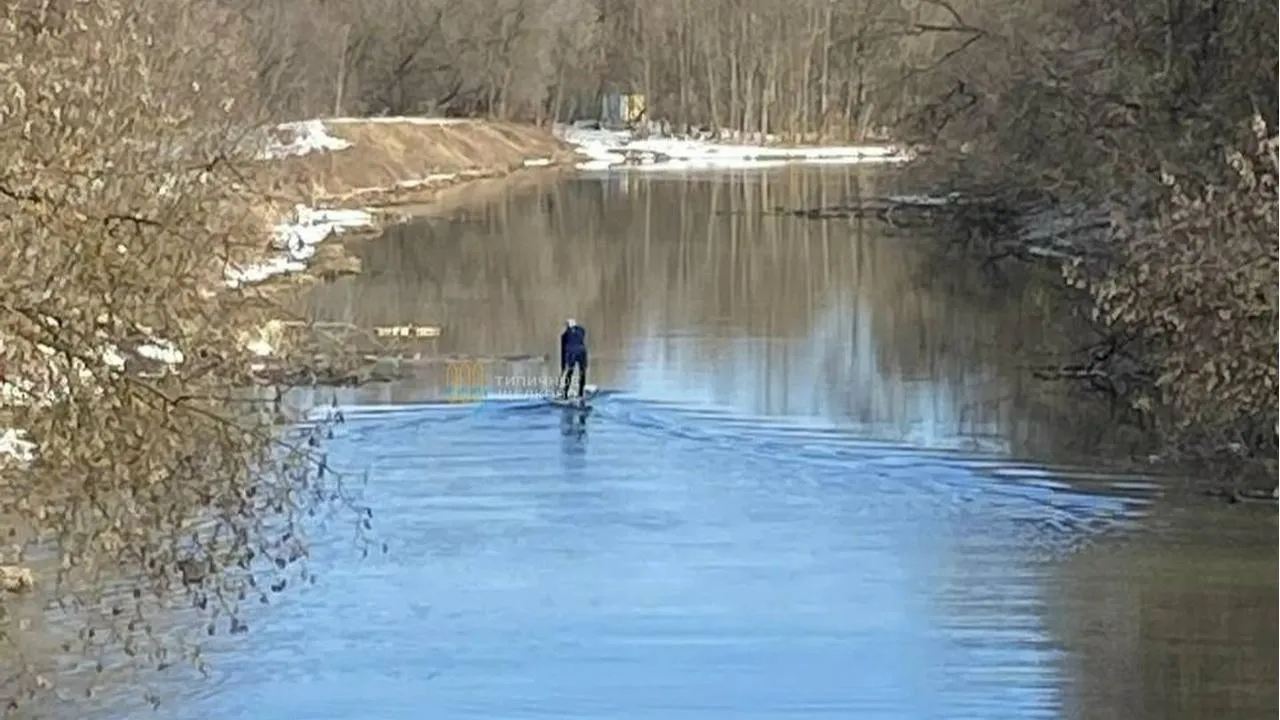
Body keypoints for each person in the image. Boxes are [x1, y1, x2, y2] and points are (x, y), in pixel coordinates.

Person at [559, 318, 588, 399]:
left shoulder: (564, 336)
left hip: (571, 355)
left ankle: (565, 393)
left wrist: (563, 365)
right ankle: (581, 393)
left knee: (569, 373)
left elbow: (563, 351)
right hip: (582, 353)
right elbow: (581, 331)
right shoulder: (581, 331)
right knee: (582, 373)